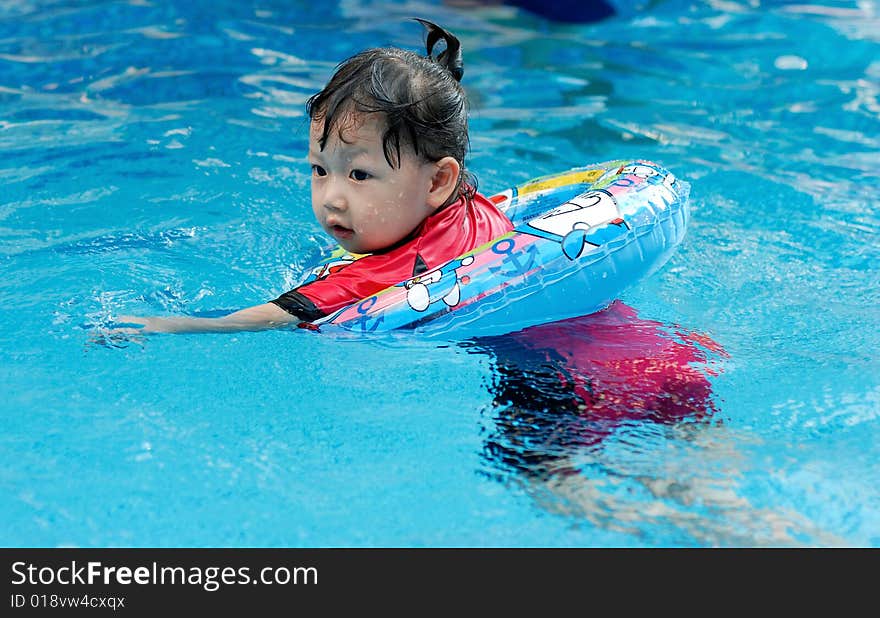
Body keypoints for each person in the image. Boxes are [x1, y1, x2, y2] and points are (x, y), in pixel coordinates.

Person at [113, 19, 513, 335]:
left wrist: (171, 325)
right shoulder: (469, 209)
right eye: (320, 170)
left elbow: (282, 313)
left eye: (359, 174)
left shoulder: (399, 271)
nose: (332, 199)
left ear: (437, 182)